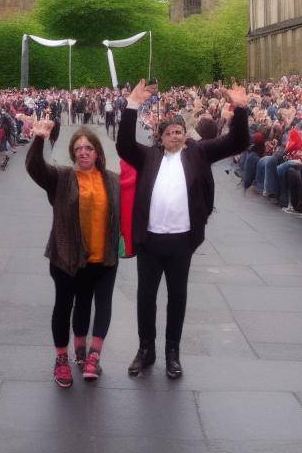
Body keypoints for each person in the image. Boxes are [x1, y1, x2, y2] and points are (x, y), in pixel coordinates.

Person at [116, 79, 249, 379]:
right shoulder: (147, 156)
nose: (175, 136)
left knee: (177, 297)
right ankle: (145, 349)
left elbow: (236, 143)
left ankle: (172, 353)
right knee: (146, 297)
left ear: (185, 134)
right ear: (159, 137)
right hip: (150, 241)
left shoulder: (197, 154)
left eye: (179, 131)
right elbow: (123, 145)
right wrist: (132, 106)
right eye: (169, 133)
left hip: (181, 243)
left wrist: (241, 109)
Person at [25, 121, 120, 388]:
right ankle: (61, 359)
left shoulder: (112, 180)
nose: (83, 152)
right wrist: (39, 139)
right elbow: (35, 168)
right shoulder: (62, 177)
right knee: (64, 307)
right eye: (78, 148)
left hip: (103, 258)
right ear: (72, 153)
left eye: (89, 148)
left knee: (96, 306)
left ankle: (91, 355)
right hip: (66, 257)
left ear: (98, 152)